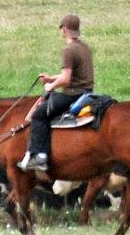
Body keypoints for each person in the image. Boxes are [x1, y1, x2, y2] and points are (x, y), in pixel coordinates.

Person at [21, 14, 95, 174]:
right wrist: (51, 78)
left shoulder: (69, 50)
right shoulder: (84, 47)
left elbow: (66, 79)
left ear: (64, 30)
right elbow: (73, 75)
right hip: (87, 93)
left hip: (72, 95)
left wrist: (51, 86)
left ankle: (40, 156)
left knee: (38, 115)